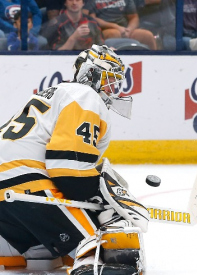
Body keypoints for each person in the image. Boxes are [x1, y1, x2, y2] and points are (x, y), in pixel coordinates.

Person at [0, 44, 149, 274]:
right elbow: (68, 169)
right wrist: (106, 200)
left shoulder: (51, 94)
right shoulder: (85, 95)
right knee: (99, 246)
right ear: (91, 74)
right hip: (26, 184)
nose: (112, 89)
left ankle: (35, 250)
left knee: (45, 251)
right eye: (110, 80)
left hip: (6, 197)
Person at [83, 0, 157, 50]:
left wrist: (129, 29)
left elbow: (134, 17)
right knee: (114, 33)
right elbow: (92, 18)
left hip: (125, 29)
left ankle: (155, 65)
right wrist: (115, 26)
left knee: (147, 35)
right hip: (104, 29)